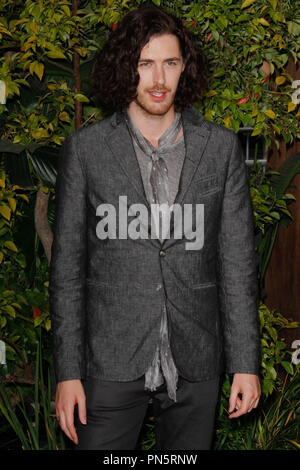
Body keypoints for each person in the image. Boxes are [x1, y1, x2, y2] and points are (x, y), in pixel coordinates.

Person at [49, 5, 261, 451]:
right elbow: (66, 272)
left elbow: (237, 266)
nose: (158, 79)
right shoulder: (86, 151)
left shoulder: (220, 149)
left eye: (170, 63)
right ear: (125, 67)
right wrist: (68, 373)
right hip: (109, 360)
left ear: (186, 67)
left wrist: (245, 363)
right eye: (144, 64)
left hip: (195, 360)